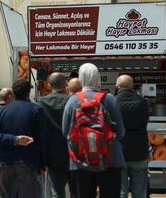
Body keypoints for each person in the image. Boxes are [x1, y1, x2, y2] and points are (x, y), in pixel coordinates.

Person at [62, 63, 126, 198]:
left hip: (80, 161)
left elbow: (65, 131)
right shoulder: (109, 99)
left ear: (81, 78)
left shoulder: (73, 100)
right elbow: (120, 131)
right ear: (98, 77)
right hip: (110, 159)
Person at [0, 79, 44, 198]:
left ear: (13, 93)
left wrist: (13, 139)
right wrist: (42, 163)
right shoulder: (36, 110)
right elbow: (42, 138)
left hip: (5, 163)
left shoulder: (1, 111)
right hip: (28, 163)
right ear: (28, 93)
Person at [38, 73, 76, 198]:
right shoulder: (72, 100)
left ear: (49, 85)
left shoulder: (41, 102)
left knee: (57, 191)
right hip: (72, 150)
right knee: (75, 190)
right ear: (65, 84)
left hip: (52, 153)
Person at [115, 75, 149, 198]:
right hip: (139, 151)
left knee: (121, 190)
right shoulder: (142, 102)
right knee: (140, 190)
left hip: (120, 151)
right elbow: (145, 121)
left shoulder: (113, 102)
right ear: (132, 86)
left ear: (117, 87)